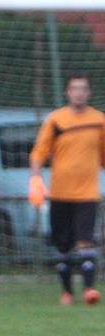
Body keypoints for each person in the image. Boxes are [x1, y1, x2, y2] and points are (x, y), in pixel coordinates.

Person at [29, 72, 104, 306]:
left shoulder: (99, 120)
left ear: (89, 92)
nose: (79, 92)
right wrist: (35, 179)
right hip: (59, 193)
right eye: (75, 88)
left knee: (85, 242)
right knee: (62, 245)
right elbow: (39, 152)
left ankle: (89, 290)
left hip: (87, 194)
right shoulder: (56, 119)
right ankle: (67, 293)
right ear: (68, 92)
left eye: (83, 88)